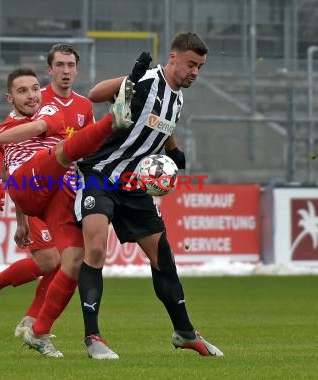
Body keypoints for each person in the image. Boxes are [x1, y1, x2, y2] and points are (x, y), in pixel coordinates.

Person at [74, 32, 224, 358]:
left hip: (135, 186)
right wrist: (131, 78)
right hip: (101, 174)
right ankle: (93, 338)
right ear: (173, 58)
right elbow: (94, 94)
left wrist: (175, 150)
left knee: (163, 257)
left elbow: (162, 126)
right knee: (96, 249)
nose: (195, 71)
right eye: (191, 64)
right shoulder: (146, 79)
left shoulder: (178, 99)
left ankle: (185, 332)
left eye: (200, 66)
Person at [0, 67, 133, 357]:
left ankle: (38, 330)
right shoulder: (4, 130)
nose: (32, 95)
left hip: (57, 193)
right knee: (60, 151)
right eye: (22, 91)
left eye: (35, 88)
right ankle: (113, 120)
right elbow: (3, 164)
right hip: (25, 186)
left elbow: (37, 129)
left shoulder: (50, 112)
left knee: (72, 261)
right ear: (10, 98)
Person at [0, 43, 95, 337]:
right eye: (60, 66)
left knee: (65, 262)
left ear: (77, 69)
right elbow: (11, 155)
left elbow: (88, 147)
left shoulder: (82, 106)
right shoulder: (39, 104)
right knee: (52, 260)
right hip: (38, 190)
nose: (66, 71)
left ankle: (30, 322)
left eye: (71, 65)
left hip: (66, 189)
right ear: (49, 70)